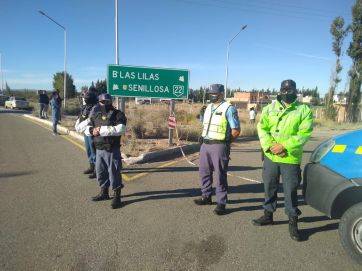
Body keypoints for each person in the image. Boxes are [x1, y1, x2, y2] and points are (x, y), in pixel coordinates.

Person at [252, 79, 313, 242]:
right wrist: (270, 146)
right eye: (284, 90)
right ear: (280, 91)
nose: (287, 93)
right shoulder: (270, 108)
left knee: (290, 191)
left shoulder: (304, 110)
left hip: (290, 158)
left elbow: (304, 134)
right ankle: (268, 215)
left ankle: (293, 222)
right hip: (271, 155)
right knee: (269, 186)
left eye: (290, 90)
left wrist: (284, 146)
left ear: (295, 90)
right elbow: (262, 128)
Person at [194, 84, 240, 215]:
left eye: (214, 93)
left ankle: (221, 202)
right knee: (204, 172)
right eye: (210, 93)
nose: (212, 95)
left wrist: (225, 143)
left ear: (221, 93)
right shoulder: (208, 107)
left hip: (219, 145)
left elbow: (236, 130)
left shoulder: (229, 108)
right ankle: (206, 196)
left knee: (220, 175)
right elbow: (205, 125)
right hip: (205, 144)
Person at [85, 93, 127, 209]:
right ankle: (104, 192)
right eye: (102, 102)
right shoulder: (96, 114)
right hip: (99, 149)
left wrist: (102, 130)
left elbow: (122, 129)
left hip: (112, 149)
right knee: (100, 172)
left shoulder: (118, 114)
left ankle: (117, 196)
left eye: (107, 102)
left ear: (111, 102)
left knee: (114, 173)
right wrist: (92, 130)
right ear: (99, 102)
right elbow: (87, 128)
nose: (105, 104)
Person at [75, 87, 98, 179]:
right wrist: (78, 124)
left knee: (94, 151)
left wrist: (80, 126)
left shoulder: (96, 107)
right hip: (85, 131)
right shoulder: (86, 106)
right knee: (89, 150)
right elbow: (81, 116)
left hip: (92, 131)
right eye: (85, 96)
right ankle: (91, 166)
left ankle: (97, 170)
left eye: (87, 96)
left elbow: (92, 119)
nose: (85, 97)